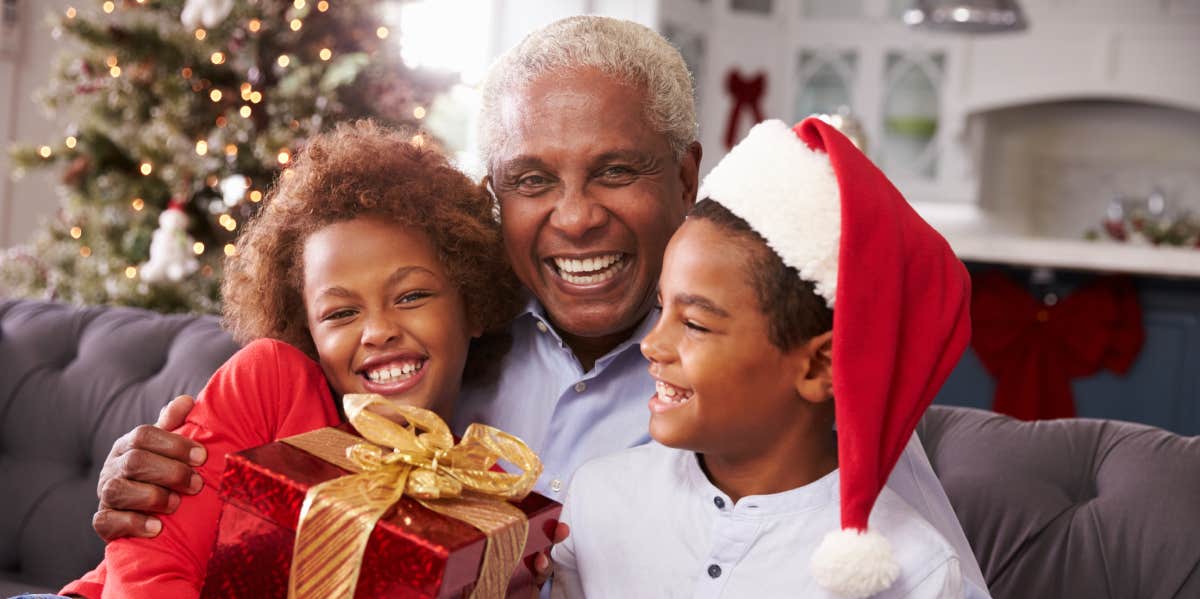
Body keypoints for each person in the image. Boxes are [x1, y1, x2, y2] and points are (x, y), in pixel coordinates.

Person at [88, 16, 989, 596]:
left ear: (685, 175)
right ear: (494, 196)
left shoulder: (766, 383)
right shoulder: (440, 335)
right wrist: (160, 471)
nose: (574, 216)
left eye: (615, 169)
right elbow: (263, 466)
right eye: (531, 180)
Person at [57, 120, 523, 598]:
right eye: (341, 312)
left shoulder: (478, 489)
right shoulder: (272, 385)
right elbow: (151, 559)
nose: (379, 330)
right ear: (308, 331)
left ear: (474, 305)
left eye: (411, 296)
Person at [552, 118, 971, 598]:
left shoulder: (913, 570)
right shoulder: (597, 499)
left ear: (820, 366)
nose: (652, 345)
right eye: (662, 308)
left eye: (694, 324)